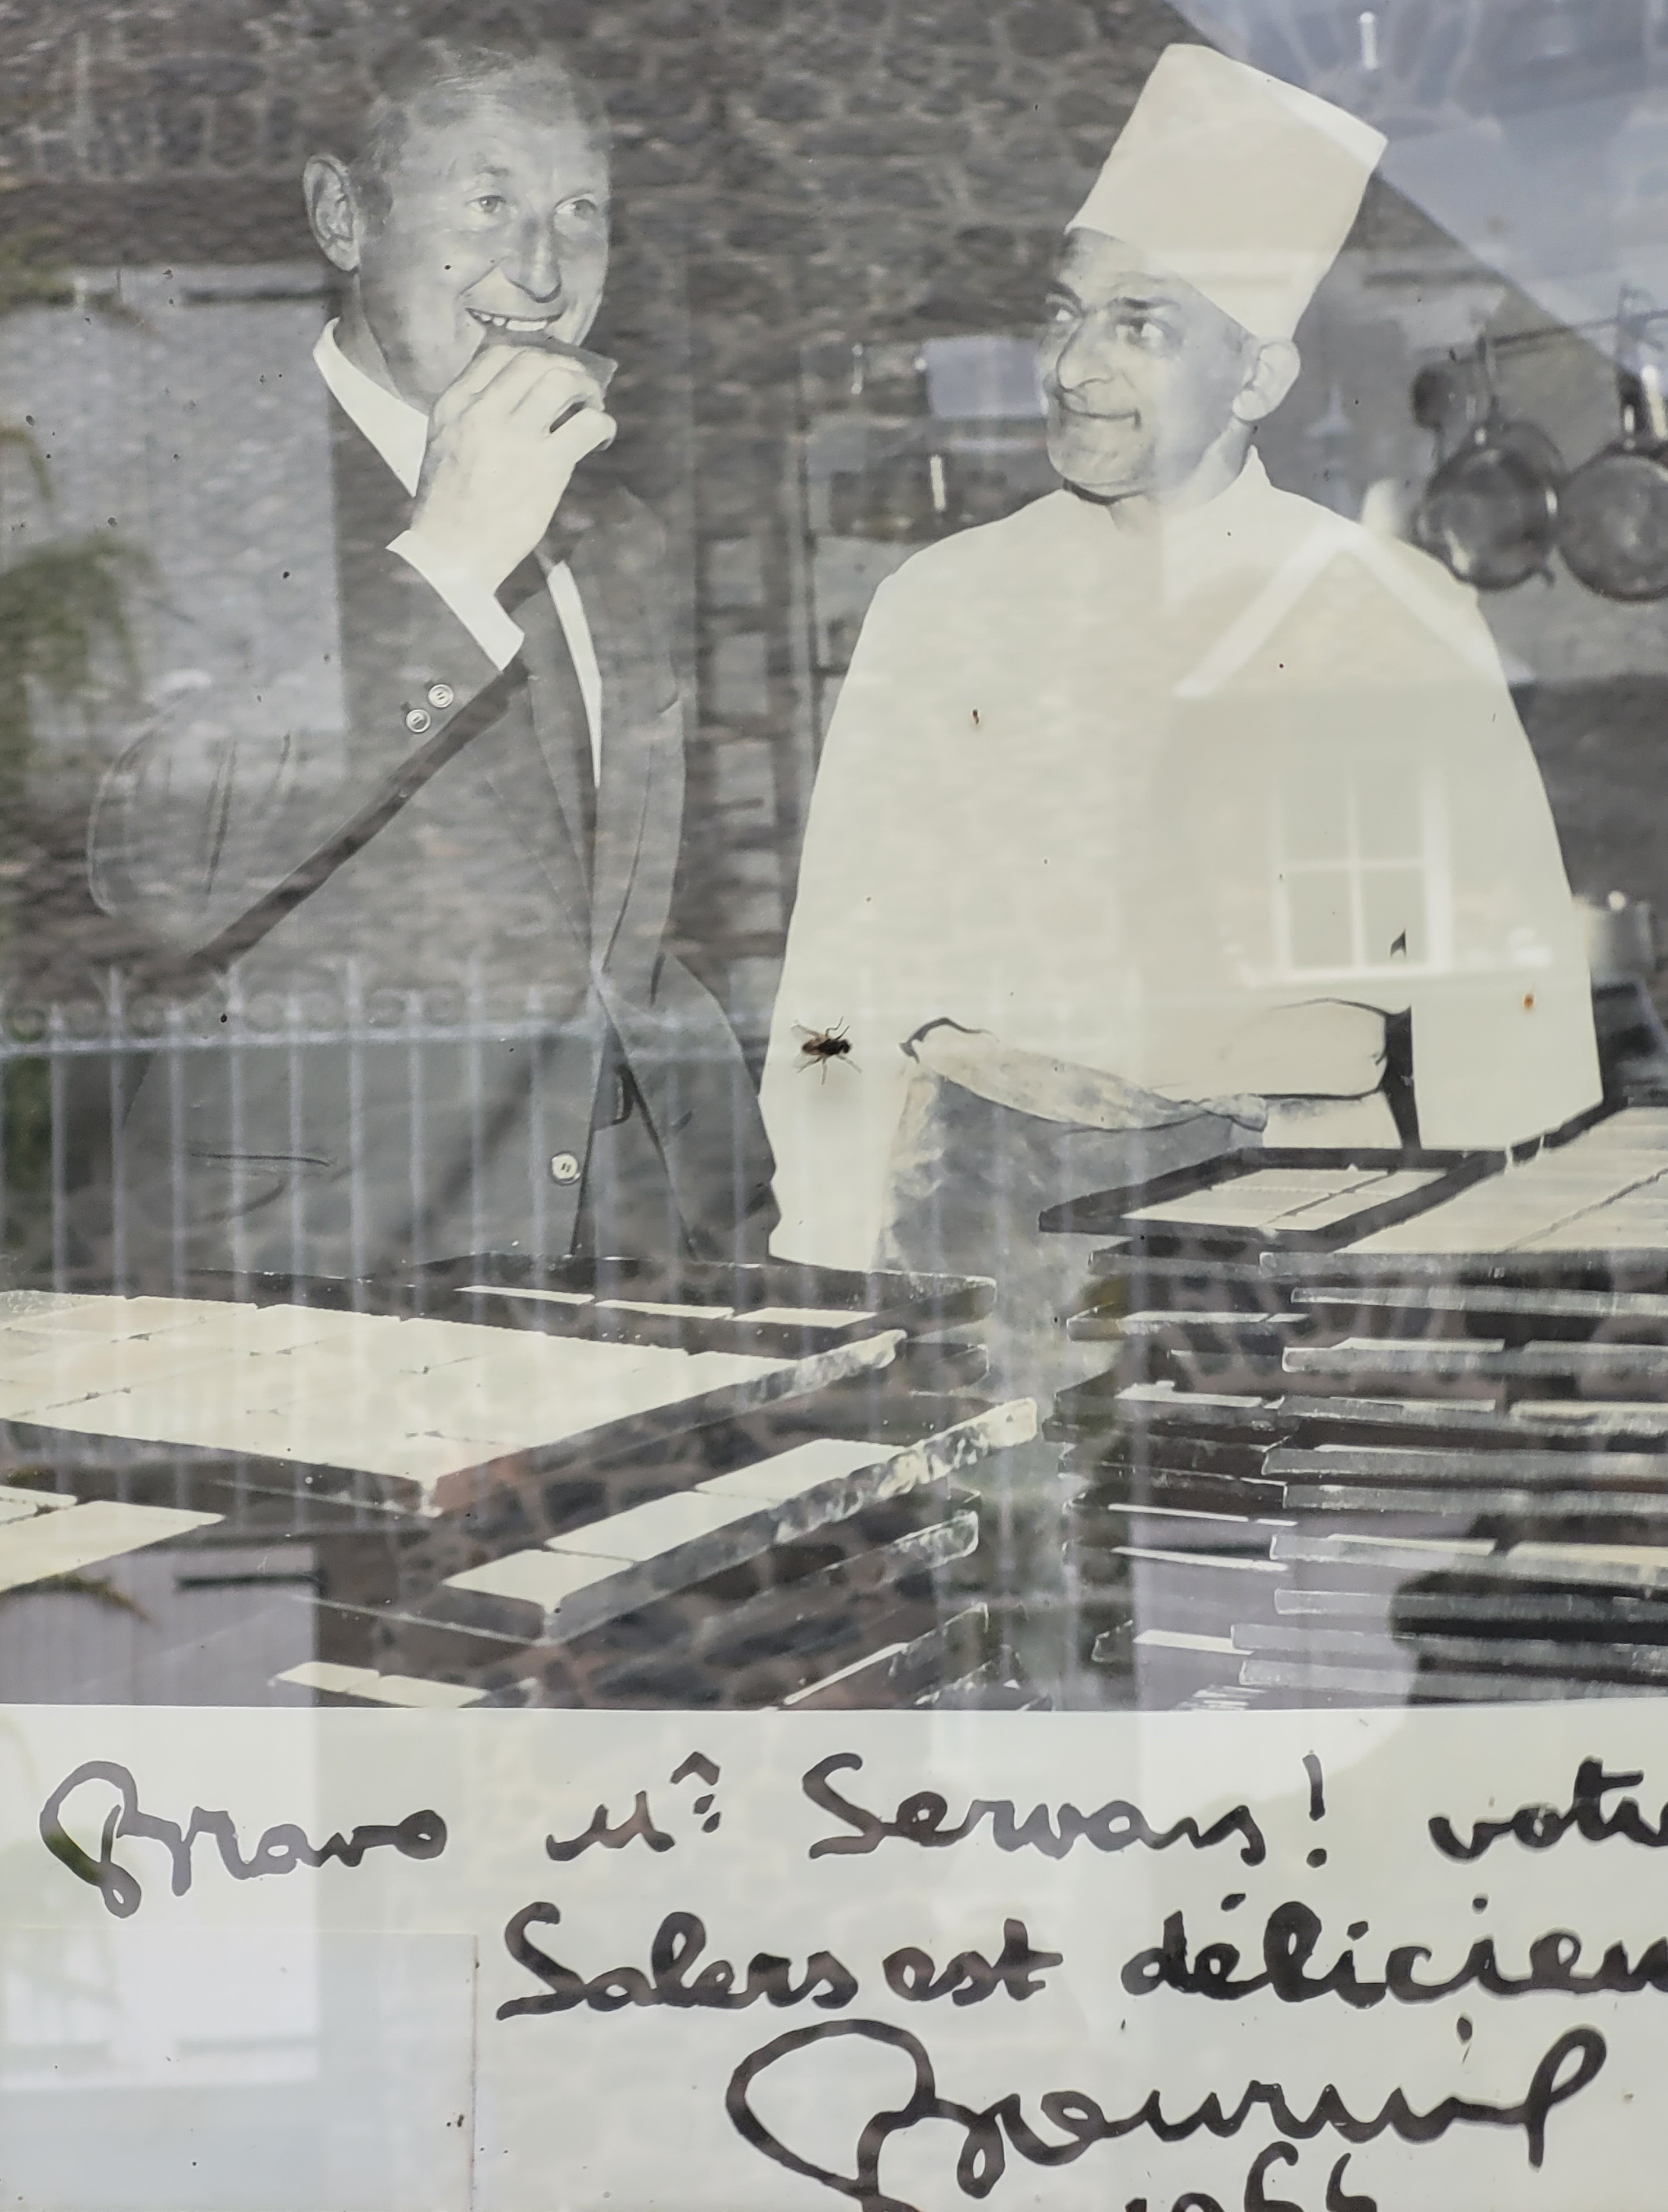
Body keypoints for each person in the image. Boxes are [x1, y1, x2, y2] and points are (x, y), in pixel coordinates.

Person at [760, 41, 1601, 1387]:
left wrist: (1500, 1290)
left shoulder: (1392, 614)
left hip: (1289, 1204)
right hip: (977, 1219)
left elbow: (1502, 1003)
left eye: (1138, 325)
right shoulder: (941, 604)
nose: (1072, 365)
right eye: (1063, 314)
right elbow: (838, 981)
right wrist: (821, 1247)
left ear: (1255, 375)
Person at [88, 29, 776, 1283]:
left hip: (617, 1248)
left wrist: (731, 1206)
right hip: (312, 1270)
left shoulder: (614, 527)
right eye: (489, 202)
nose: (544, 268)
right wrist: (447, 563)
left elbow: (612, 938)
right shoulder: (173, 486)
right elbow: (153, 879)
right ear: (343, 218)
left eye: (581, 211)